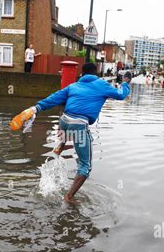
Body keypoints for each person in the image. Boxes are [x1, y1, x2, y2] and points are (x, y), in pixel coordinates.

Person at [13, 63, 131, 204]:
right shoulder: (102, 84)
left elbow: (54, 98)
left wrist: (35, 108)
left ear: (82, 73)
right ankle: (69, 197)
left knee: (69, 128)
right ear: (96, 73)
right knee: (85, 166)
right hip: (78, 125)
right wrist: (125, 83)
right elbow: (121, 95)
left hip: (64, 122)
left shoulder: (73, 86)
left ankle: (60, 146)